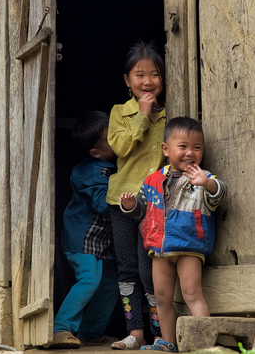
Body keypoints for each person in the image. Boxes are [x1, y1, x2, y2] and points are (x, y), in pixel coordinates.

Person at [120, 117, 228, 352]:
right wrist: (130, 206)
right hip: (159, 250)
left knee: (192, 295)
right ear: (166, 150)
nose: (190, 153)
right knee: (161, 298)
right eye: (183, 146)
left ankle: (204, 344)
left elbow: (220, 194)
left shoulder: (202, 177)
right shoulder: (152, 180)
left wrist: (206, 183)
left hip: (189, 247)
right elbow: (143, 211)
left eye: (197, 147)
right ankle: (167, 342)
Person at [106, 40, 166, 350]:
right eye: (139, 75)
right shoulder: (120, 113)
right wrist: (142, 115)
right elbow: (120, 148)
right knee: (127, 268)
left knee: (150, 269)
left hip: (154, 206)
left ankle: (158, 333)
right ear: (127, 80)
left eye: (154, 74)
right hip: (122, 202)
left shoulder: (168, 117)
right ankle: (135, 332)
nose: (147, 82)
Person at [52, 111, 119, 349]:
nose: (119, 138)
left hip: (102, 243)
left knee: (109, 286)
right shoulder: (90, 171)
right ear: (96, 153)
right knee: (90, 280)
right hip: (82, 240)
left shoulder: (110, 168)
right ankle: (61, 328)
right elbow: (102, 205)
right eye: (112, 138)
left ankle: (90, 332)